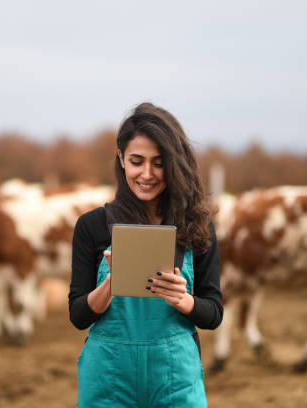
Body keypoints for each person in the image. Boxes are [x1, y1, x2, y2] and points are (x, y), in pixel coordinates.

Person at [69, 102, 223, 407]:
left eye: (158, 162)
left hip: (175, 377)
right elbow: (78, 315)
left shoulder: (196, 226)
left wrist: (184, 300)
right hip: (108, 376)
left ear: (174, 163)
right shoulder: (92, 226)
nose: (147, 174)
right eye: (137, 161)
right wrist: (112, 283)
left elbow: (214, 313)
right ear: (121, 158)